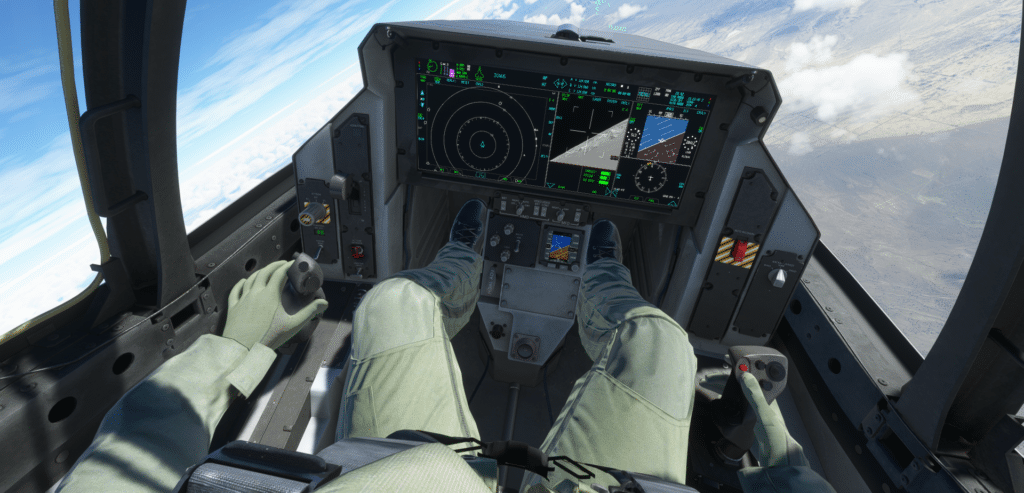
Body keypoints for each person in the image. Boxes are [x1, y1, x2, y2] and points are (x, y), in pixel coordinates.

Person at [57, 198, 838, 493]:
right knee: (659, 341)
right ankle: (603, 275)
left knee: (395, 299)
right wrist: (795, 483)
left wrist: (235, 346)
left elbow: (116, 473)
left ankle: (463, 257)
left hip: (402, 480)